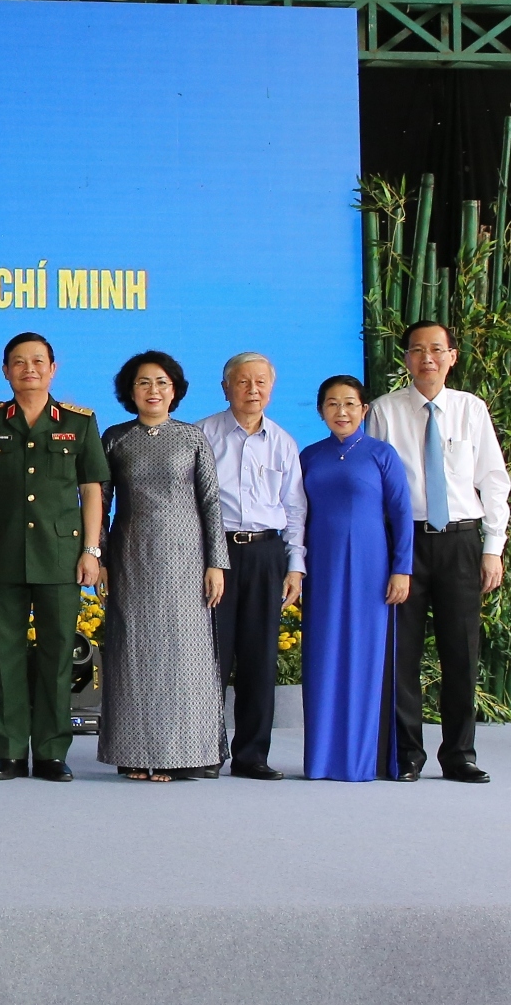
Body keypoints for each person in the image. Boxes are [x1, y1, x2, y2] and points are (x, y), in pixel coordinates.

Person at [366, 321, 506, 783]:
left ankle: (460, 754)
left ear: (452, 356)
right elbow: (374, 487)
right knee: (400, 654)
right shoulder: (384, 411)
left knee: (461, 652)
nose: (427, 358)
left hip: (461, 542)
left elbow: (493, 481)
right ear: (406, 358)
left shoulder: (470, 409)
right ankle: (407, 754)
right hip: (404, 543)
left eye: (436, 350)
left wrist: (492, 548)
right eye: (417, 350)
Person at [0, 332, 106, 782]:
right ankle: (8, 751)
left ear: (53, 369)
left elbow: (91, 491)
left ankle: (50, 752)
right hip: (3, 554)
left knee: (57, 655)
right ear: (5, 370)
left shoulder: (79, 422)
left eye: (38, 361)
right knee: (4, 656)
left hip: (60, 555)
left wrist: (91, 551)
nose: (29, 369)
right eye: (19, 362)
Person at [97, 351, 228, 782]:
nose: (153, 390)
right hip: (131, 557)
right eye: (143, 383)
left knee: (185, 657)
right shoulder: (115, 439)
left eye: (161, 383)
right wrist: (99, 558)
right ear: (129, 391)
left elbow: (210, 503)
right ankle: (134, 752)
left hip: (187, 562)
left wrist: (216, 563)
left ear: (174, 390)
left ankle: (186, 754)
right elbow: (100, 503)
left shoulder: (192, 438)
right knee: (132, 654)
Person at [194, 352, 308, 781]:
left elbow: (294, 510)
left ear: (271, 389)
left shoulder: (283, 442)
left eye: (261, 382)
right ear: (226, 388)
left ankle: (252, 755)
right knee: (211, 656)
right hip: (215, 555)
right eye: (243, 382)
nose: (252, 390)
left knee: (260, 657)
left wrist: (294, 566)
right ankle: (205, 750)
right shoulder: (202, 435)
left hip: (265, 554)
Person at [300, 375, 413, 782]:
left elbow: (402, 514)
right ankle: (322, 760)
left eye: (350, 403)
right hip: (322, 568)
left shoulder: (382, 454)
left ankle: (364, 760)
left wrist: (402, 568)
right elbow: (296, 514)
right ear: (321, 411)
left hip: (371, 569)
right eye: (332, 404)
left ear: (364, 409)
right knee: (323, 656)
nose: (341, 412)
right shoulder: (310, 456)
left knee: (366, 657)